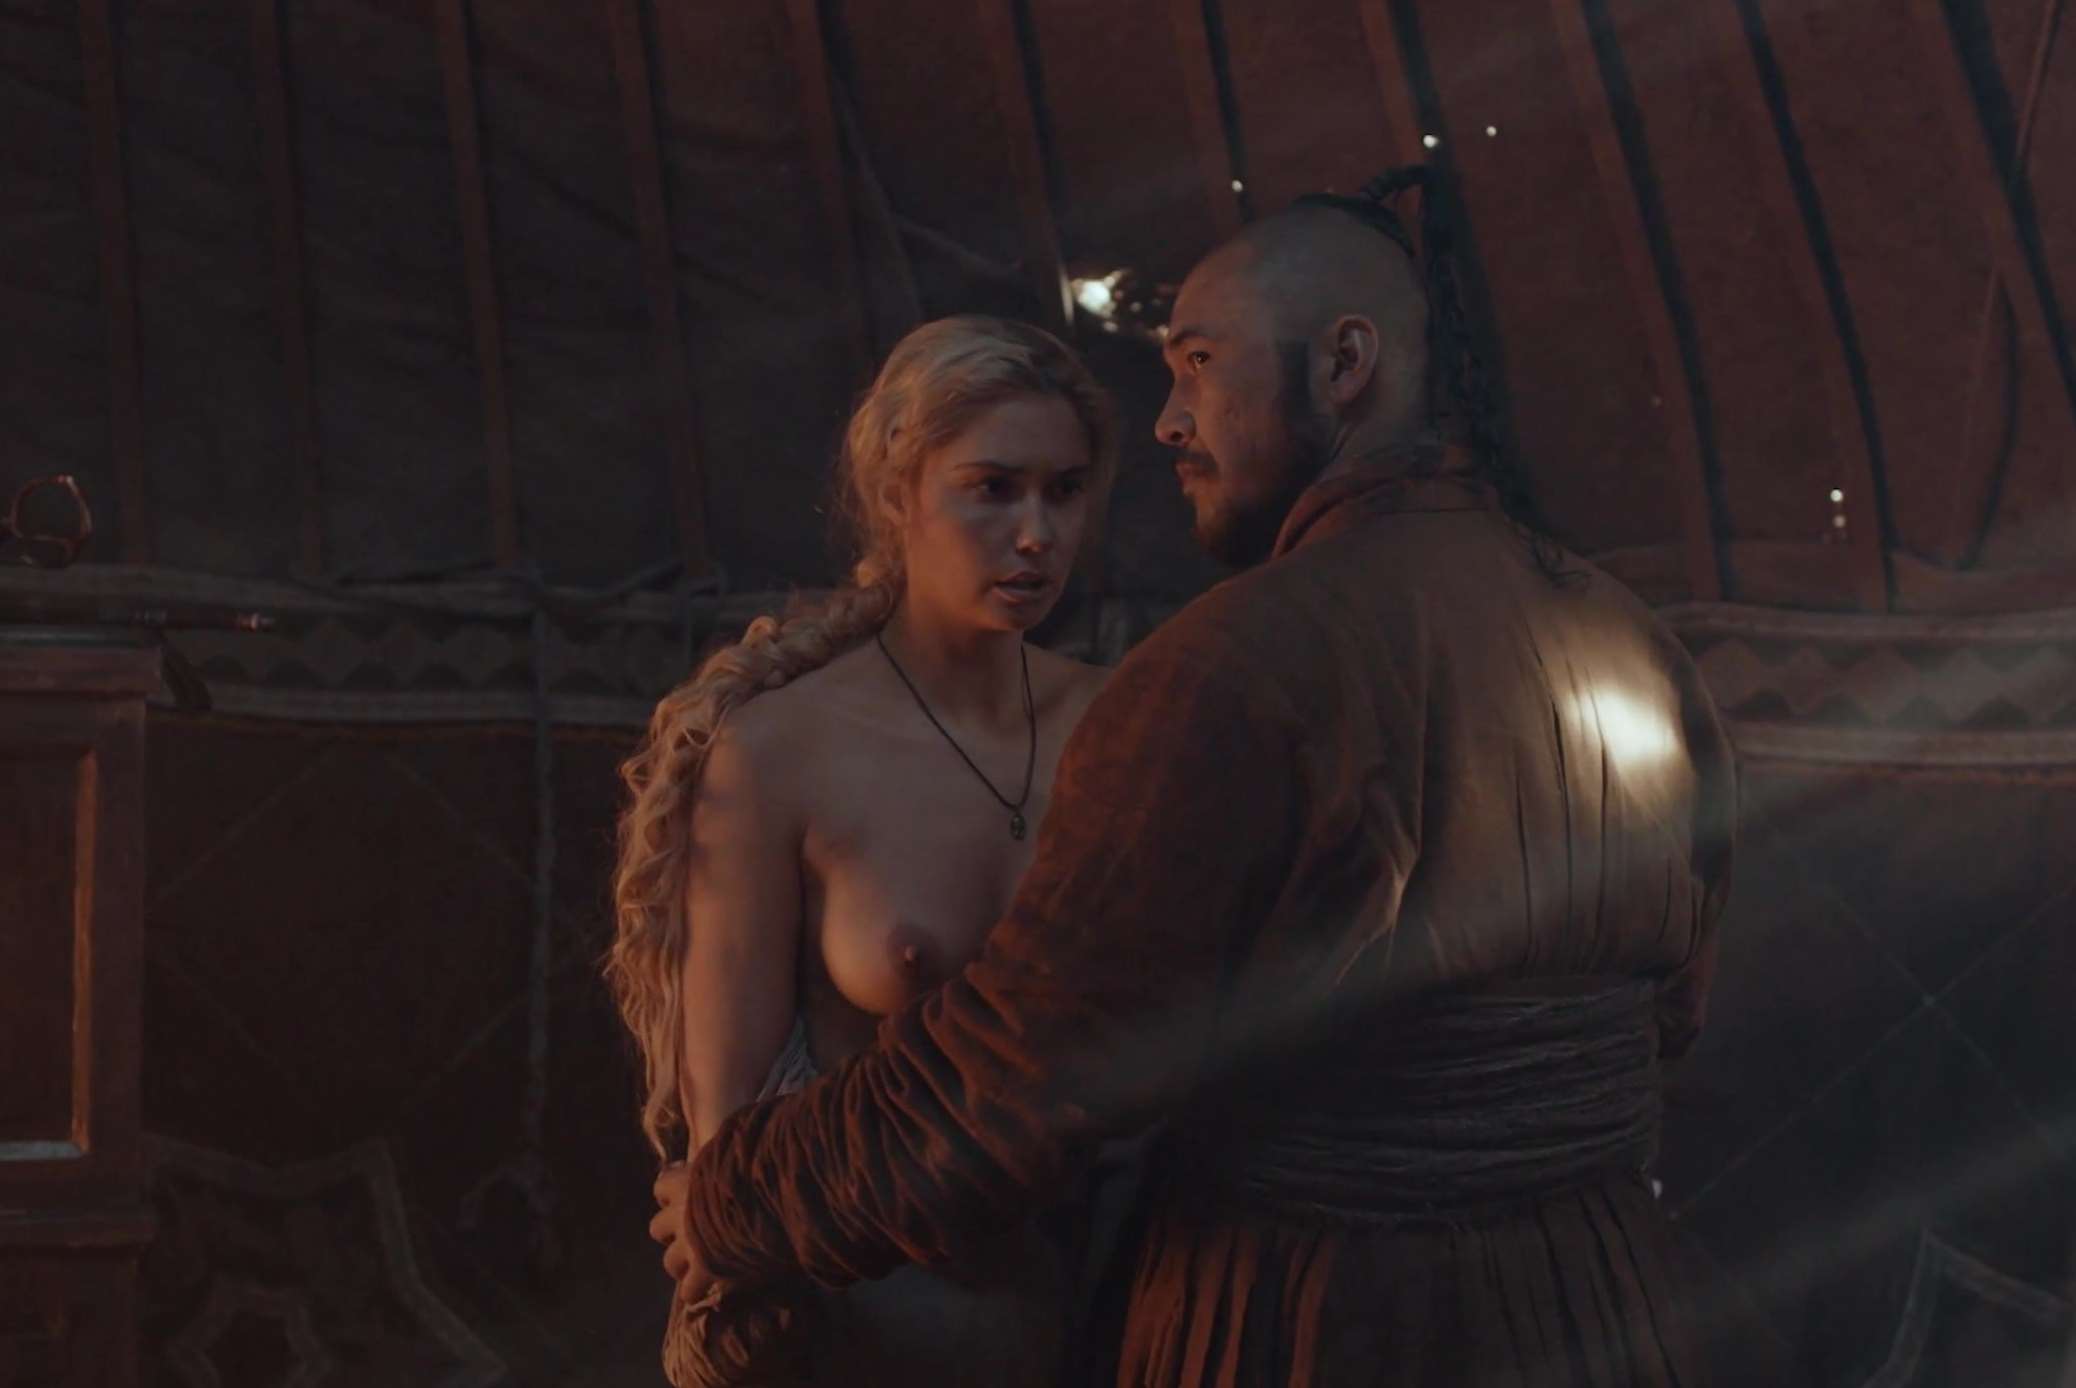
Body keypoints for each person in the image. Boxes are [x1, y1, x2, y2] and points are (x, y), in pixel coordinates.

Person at [655, 168, 1738, 1386]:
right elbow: (1670, 1016)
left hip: (1322, 1320)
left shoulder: (1235, 666)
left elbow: (1022, 1071)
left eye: (1202, 364)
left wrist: (739, 1199)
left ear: (1345, 364)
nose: (1170, 421)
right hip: (1605, 1309)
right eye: (993, 487)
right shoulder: (1633, 637)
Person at [606, 314, 1120, 1386]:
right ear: (898, 493)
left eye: (1064, 491)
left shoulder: (1119, 725)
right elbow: (729, 1149)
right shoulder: (781, 750)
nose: (1037, 534)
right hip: (871, 1332)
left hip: (1109, 1310)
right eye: (993, 489)